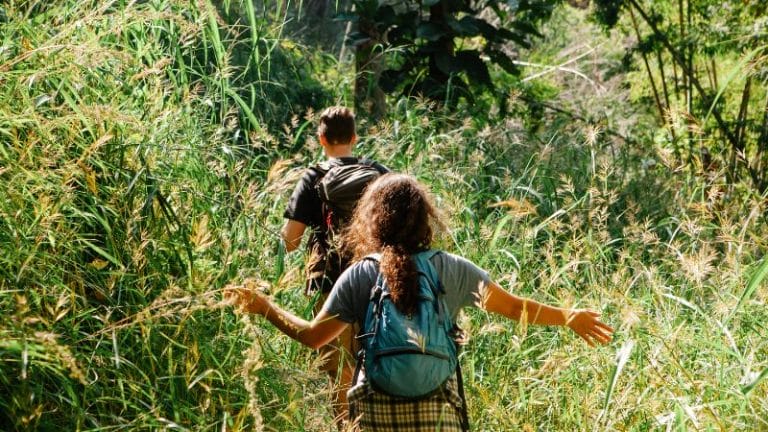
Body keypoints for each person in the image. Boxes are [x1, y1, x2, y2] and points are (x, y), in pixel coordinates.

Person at [230, 173, 614, 431]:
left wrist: (265, 307)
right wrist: (568, 317)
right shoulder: (454, 269)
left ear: (372, 219)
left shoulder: (361, 273)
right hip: (437, 410)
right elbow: (515, 308)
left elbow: (314, 337)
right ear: (426, 218)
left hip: (375, 409)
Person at [279, 106, 388, 425]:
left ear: (321, 138)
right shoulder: (380, 173)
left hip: (328, 280)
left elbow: (291, 240)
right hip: (376, 279)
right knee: (376, 361)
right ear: (354, 138)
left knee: (340, 369)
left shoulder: (313, 176)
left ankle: (347, 428)